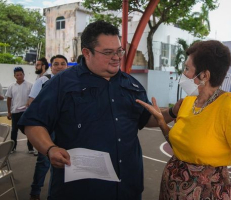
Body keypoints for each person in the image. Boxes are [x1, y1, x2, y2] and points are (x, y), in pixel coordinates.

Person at [19, 20, 180, 200]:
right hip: (80, 191)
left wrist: (172, 112)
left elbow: (146, 119)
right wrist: (50, 149)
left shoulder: (130, 83)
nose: (117, 57)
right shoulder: (62, 83)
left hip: (127, 187)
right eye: (108, 52)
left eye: (119, 51)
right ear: (87, 53)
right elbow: (33, 123)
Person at [136, 40, 231, 200]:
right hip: (171, 191)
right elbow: (181, 149)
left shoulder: (230, 109)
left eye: (187, 69)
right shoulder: (188, 102)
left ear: (204, 75)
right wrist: (161, 122)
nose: (183, 74)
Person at [28, 55, 68, 200]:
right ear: (51, 67)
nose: (59, 66)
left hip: (66, 129)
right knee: (44, 162)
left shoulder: (71, 82)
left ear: (67, 66)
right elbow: (31, 103)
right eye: (56, 64)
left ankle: (56, 194)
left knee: (63, 163)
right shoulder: (43, 81)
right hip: (48, 129)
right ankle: (35, 192)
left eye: (63, 63)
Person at [6, 67, 33, 153]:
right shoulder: (11, 86)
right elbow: (9, 99)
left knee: (29, 130)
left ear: (23, 75)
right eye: (17, 75)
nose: (19, 76)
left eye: (21, 74)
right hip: (15, 112)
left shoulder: (30, 85)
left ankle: (30, 148)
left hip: (26, 112)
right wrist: (9, 112)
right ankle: (13, 148)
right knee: (14, 130)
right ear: (14, 76)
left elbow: (32, 98)